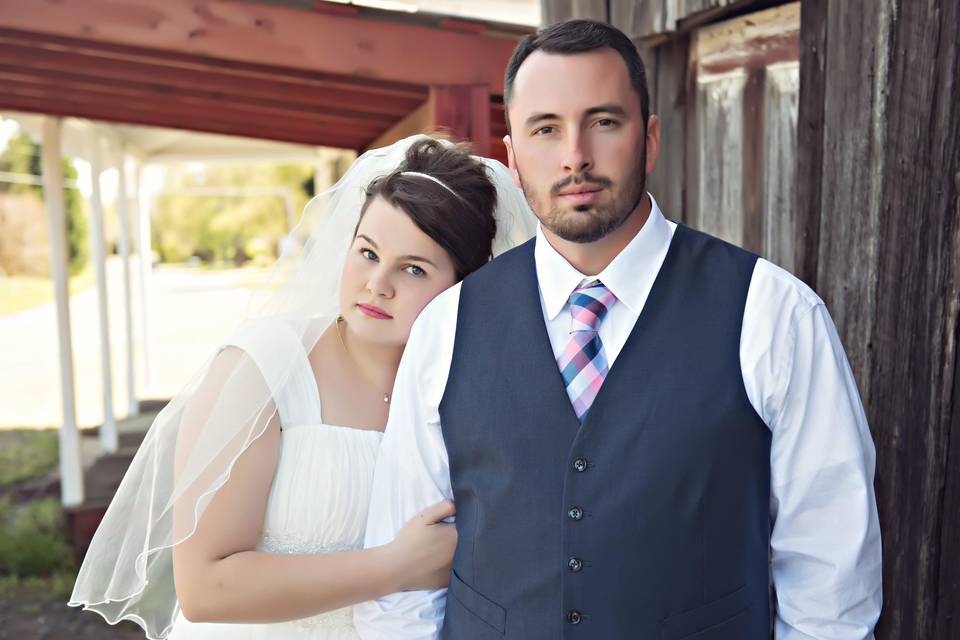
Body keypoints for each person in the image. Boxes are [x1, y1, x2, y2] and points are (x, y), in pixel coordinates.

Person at [355, 20, 883, 640]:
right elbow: (402, 593)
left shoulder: (774, 314)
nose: (575, 154)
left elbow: (831, 580)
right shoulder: (447, 326)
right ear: (513, 158)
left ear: (650, 140)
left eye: (604, 121)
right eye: (546, 129)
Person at [68, 135, 537, 640]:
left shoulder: (470, 391)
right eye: (367, 252)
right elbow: (203, 588)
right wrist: (394, 566)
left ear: (463, 284)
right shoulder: (264, 368)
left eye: (414, 268)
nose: (377, 284)